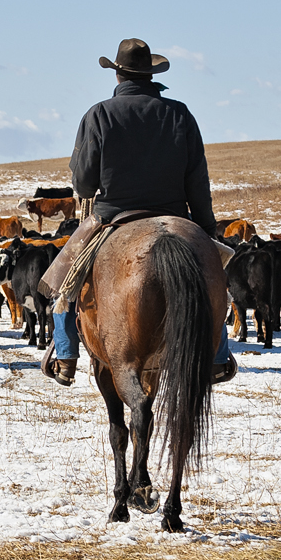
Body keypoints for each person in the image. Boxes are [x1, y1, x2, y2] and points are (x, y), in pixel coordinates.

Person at [38, 37, 236, 386]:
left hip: (113, 215)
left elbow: (84, 183)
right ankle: (218, 356)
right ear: (150, 75)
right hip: (176, 214)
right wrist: (205, 228)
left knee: (64, 282)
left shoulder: (98, 114)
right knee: (213, 280)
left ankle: (65, 355)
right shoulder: (180, 113)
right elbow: (197, 178)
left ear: (118, 76)